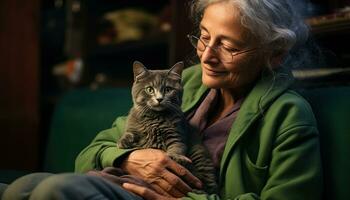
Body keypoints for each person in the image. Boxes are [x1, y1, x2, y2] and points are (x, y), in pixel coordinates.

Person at [1, 0, 323, 199]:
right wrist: (127, 159)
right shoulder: (187, 81)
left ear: (275, 54)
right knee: (17, 190)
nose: (207, 56)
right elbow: (91, 153)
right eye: (204, 37)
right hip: (123, 182)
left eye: (229, 46)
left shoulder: (289, 116)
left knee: (53, 192)